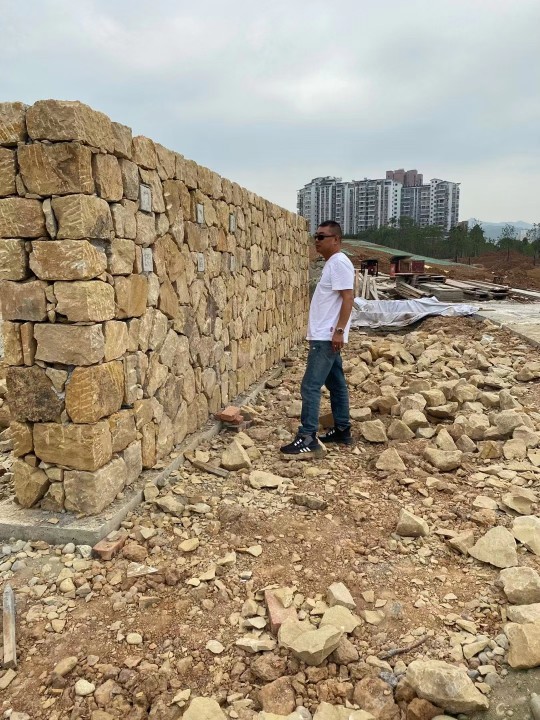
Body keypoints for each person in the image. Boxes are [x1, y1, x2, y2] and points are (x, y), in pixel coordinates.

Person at [280, 220, 354, 458]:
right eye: (316, 236)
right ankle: (342, 429)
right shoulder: (332, 263)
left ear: (336, 239)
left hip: (326, 336)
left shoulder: (339, 262)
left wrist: (339, 331)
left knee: (310, 386)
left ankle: (308, 437)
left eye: (322, 236)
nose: (317, 240)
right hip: (325, 335)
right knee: (336, 384)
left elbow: (348, 297)